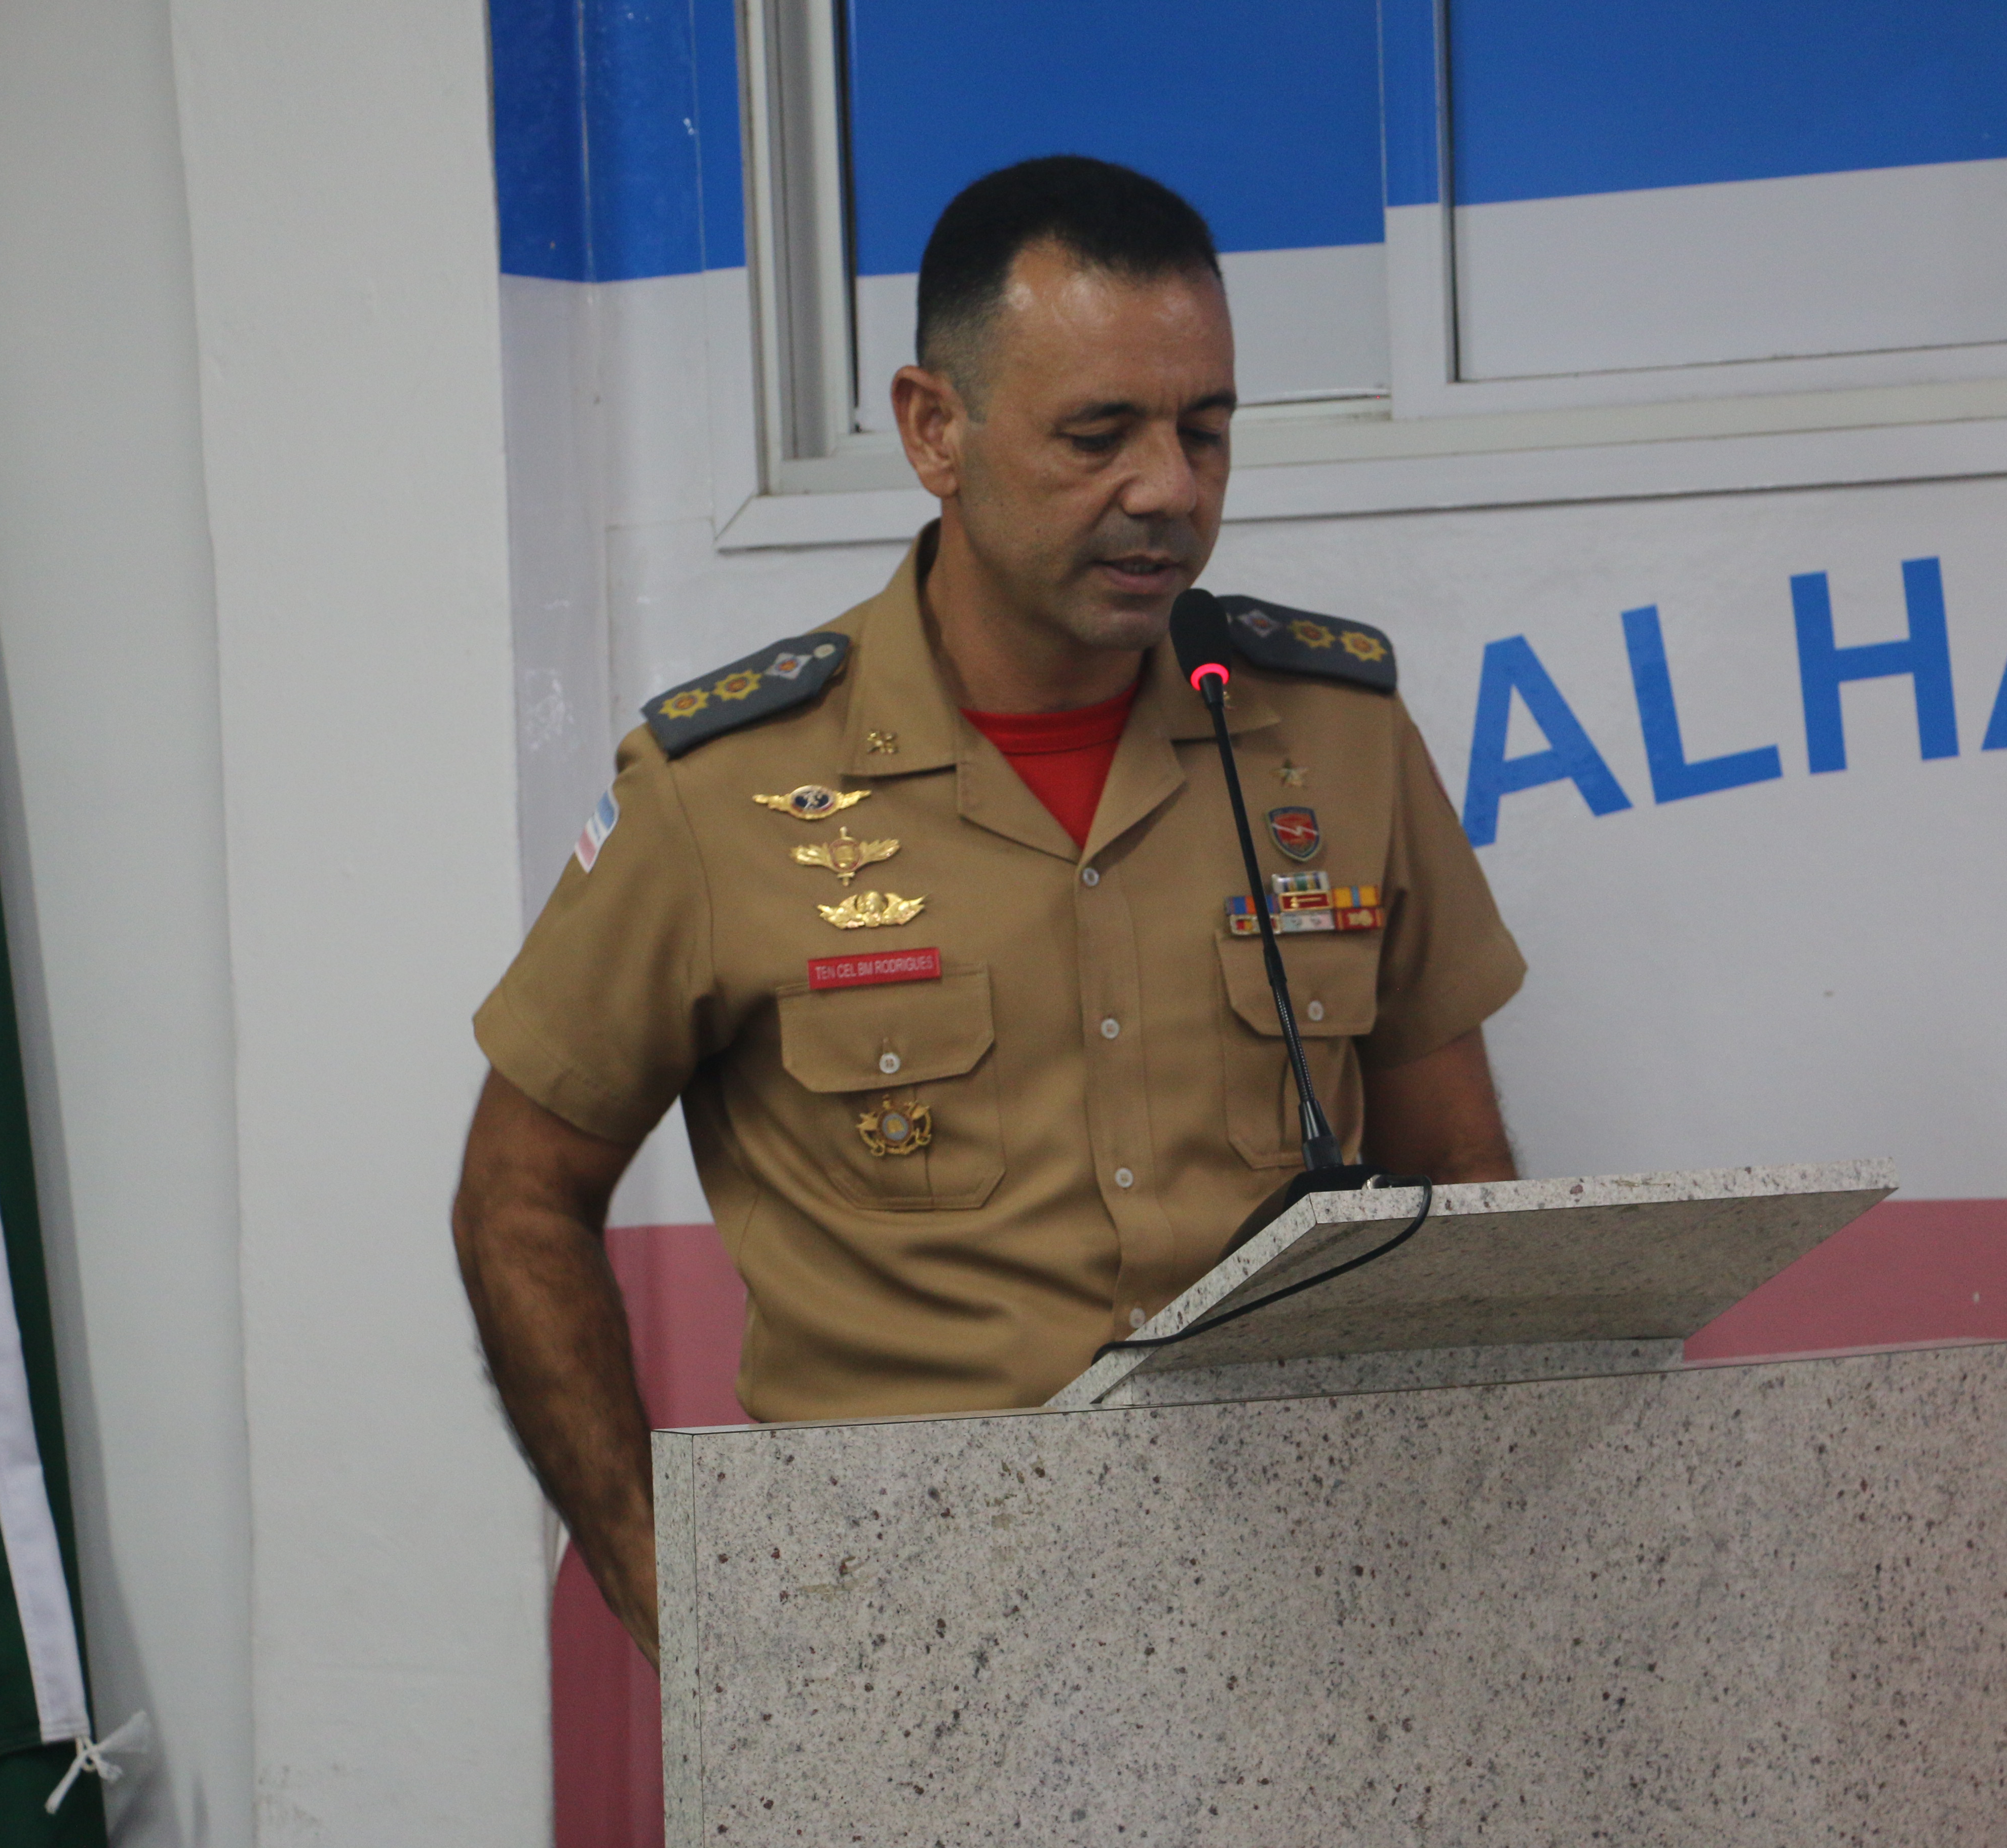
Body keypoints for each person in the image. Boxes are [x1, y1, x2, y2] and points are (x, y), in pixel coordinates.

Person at [452, 156, 1527, 1659]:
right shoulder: (723, 792)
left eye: (1205, 432)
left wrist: (1466, 1557)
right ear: (933, 430)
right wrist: (667, 1596)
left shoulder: (1332, 735)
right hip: (895, 1628)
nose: (1169, 490)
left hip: (1300, 1604)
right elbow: (517, 1200)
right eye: (1098, 435)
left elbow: (1457, 1176)